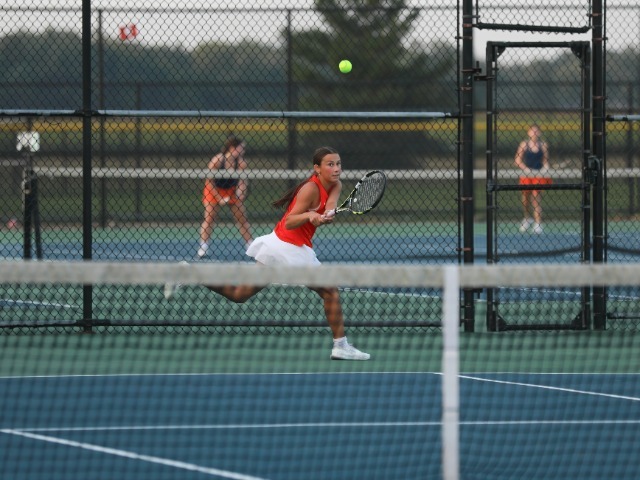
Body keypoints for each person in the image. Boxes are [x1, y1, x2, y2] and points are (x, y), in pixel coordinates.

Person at [166, 146, 370, 361]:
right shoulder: (309, 189)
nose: (336, 168)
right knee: (330, 291)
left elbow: (329, 206)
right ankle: (340, 346)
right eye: (330, 164)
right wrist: (310, 215)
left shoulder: (336, 184)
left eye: (338, 163)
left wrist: (326, 215)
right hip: (289, 246)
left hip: (282, 245)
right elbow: (291, 220)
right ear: (317, 168)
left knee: (239, 294)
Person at [197, 135, 253, 258]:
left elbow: (243, 182)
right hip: (214, 190)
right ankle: (203, 247)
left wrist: (240, 193)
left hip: (231, 191)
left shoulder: (241, 163)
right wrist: (219, 198)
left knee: (242, 219)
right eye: (241, 148)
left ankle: (251, 247)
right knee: (209, 218)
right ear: (232, 148)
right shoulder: (217, 160)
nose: (243, 151)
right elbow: (209, 182)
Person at [514, 124, 551, 234]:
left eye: (536, 131)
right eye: (532, 131)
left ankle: (538, 223)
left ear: (539, 133)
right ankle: (527, 218)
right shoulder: (524, 144)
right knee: (525, 199)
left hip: (538, 175)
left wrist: (545, 168)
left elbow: (545, 161)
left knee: (536, 198)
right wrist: (526, 169)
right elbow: (517, 160)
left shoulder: (543, 145)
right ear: (528, 132)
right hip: (526, 175)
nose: (534, 133)